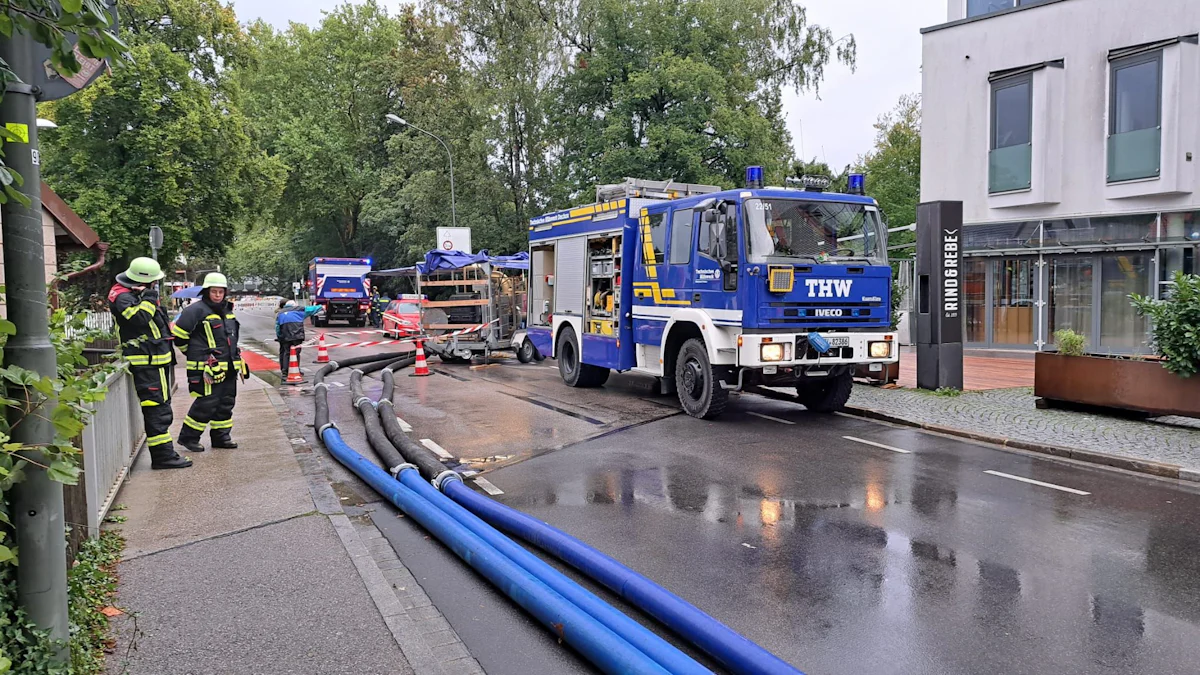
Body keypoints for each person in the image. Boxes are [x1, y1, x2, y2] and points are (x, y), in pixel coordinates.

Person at [108, 258, 191, 470]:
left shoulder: (136, 294)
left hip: (155, 360)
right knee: (157, 409)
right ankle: (163, 457)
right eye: (153, 282)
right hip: (145, 362)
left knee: (161, 406)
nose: (155, 285)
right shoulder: (123, 296)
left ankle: (165, 454)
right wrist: (149, 298)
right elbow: (140, 319)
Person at [171, 273, 248, 452]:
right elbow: (180, 338)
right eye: (214, 291)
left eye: (221, 292)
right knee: (206, 403)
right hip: (207, 369)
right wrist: (197, 356)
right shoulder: (194, 311)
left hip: (228, 367)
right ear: (206, 291)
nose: (218, 295)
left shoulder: (227, 310)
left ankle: (221, 437)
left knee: (226, 403)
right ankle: (188, 438)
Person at [275, 299, 321, 379]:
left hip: (285, 336)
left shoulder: (280, 313)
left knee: (287, 353)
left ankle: (285, 372)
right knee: (296, 354)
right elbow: (312, 309)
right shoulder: (299, 310)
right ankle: (296, 370)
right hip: (297, 335)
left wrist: (280, 337)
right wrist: (320, 306)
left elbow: (277, 327)